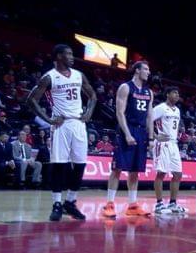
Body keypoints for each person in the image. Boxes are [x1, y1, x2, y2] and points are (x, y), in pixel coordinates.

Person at [27, 44, 97, 221]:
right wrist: (49, 120)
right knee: (59, 165)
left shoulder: (79, 75)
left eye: (72, 54)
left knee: (80, 165)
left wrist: (89, 112)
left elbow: (93, 96)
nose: (72, 57)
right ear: (58, 56)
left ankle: (70, 202)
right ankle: (57, 203)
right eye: (68, 54)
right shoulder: (49, 77)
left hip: (79, 124)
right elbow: (31, 100)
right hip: (61, 125)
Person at [102, 61, 164, 218]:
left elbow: (150, 116)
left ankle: (133, 205)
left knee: (135, 171)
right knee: (117, 169)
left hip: (141, 132)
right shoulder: (126, 87)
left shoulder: (149, 92)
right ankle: (109, 204)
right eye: (146, 69)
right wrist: (127, 133)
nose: (149, 72)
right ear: (137, 71)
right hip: (126, 130)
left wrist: (150, 138)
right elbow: (119, 113)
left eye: (149, 69)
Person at [151, 86, 187, 215]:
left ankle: (173, 203)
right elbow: (147, 119)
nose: (177, 95)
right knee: (161, 173)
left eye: (178, 93)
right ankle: (159, 204)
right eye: (174, 93)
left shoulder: (177, 110)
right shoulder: (160, 108)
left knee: (178, 174)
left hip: (174, 144)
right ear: (167, 94)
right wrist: (155, 136)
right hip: (162, 143)